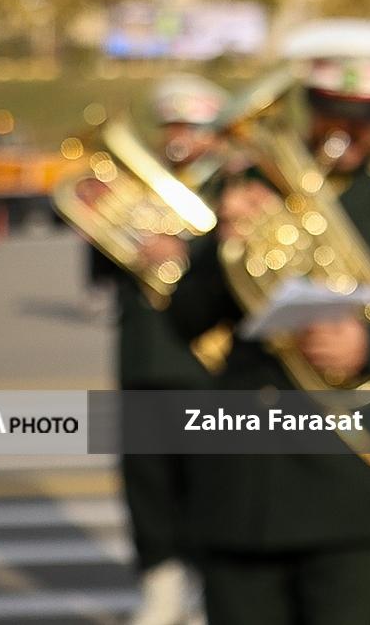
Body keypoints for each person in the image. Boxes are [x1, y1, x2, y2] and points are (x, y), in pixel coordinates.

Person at [167, 20, 370, 625]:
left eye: (363, 117)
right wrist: (222, 244)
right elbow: (185, 321)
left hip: (352, 476)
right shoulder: (247, 186)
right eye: (330, 113)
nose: (343, 131)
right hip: (242, 481)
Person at [114, 74, 229, 625]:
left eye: (194, 127)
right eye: (173, 125)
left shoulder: (233, 189)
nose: (181, 138)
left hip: (207, 363)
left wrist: (183, 250)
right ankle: (160, 582)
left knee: (210, 484)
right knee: (146, 483)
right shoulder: (134, 188)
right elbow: (100, 274)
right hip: (144, 358)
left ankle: (210, 589)